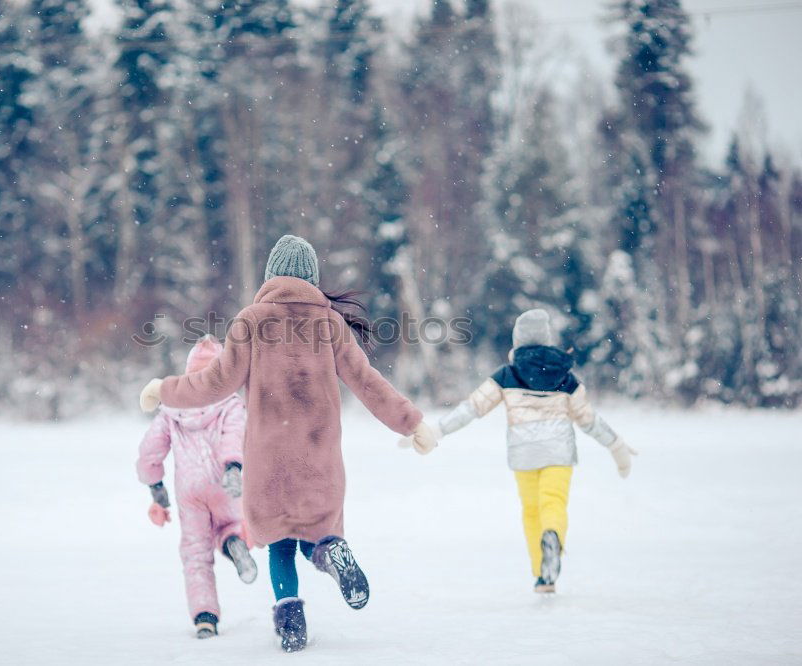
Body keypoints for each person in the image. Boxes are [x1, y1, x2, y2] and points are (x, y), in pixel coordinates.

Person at [140, 235, 437, 652]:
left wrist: (164, 390)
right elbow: (367, 383)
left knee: (279, 542)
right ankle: (331, 552)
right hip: (319, 456)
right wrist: (411, 422)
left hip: (268, 457)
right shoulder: (330, 324)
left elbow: (213, 383)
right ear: (312, 278)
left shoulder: (250, 321)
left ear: (269, 276)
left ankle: (290, 619)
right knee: (318, 530)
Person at [432, 308, 637, 593]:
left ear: (517, 341)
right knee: (553, 503)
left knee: (531, 511)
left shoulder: (507, 374)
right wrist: (615, 444)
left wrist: (437, 430)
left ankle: (542, 574)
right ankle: (553, 538)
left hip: (523, 453)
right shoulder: (565, 377)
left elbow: (472, 408)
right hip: (559, 453)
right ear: (546, 338)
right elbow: (589, 420)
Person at [136, 336, 257, 639]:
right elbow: (234, 433)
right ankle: (232, 543)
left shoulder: (171, 409)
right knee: (230, 524)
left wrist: (156, 487)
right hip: (222, 481)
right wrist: (233, 465)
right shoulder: (229, 403)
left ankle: (205, 618)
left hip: (188, 490)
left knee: (195, 553)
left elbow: (150, 450)